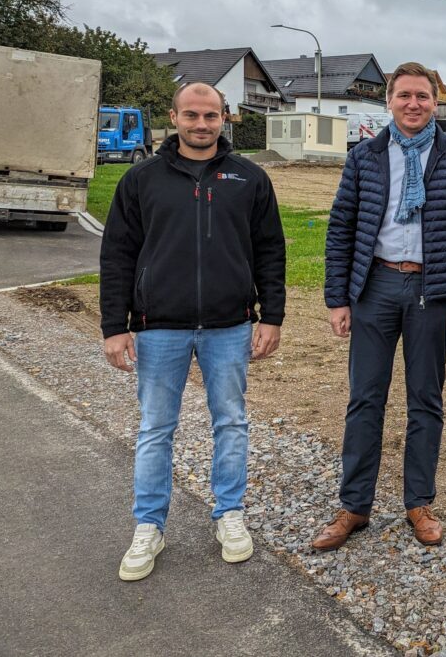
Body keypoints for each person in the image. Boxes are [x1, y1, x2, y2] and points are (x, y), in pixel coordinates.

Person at [100, 81, 285, 581]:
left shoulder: (249, 178)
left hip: (229, 326)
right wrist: (114, 326)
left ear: (225, 117)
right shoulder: (142, 179)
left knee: (231, 422)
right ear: (174, 117)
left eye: (211, 116)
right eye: (192, 115)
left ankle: (228, 513)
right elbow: (117, 255)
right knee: (156, 429)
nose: (201, 124)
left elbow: (270, 250)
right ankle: (149, 526)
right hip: (160, 327)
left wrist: (272, 316)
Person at [312, 62, 446, 551]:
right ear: (388, 100)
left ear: (436, 102)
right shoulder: (365, 157)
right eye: (404, 95)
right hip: (373, 289)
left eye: (423, 96)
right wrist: (337, 299)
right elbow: (341, 228)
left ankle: (419, 503)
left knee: (425, 401)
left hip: (432, 293)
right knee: (364, 399)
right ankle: (354, 506)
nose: (413, 104)